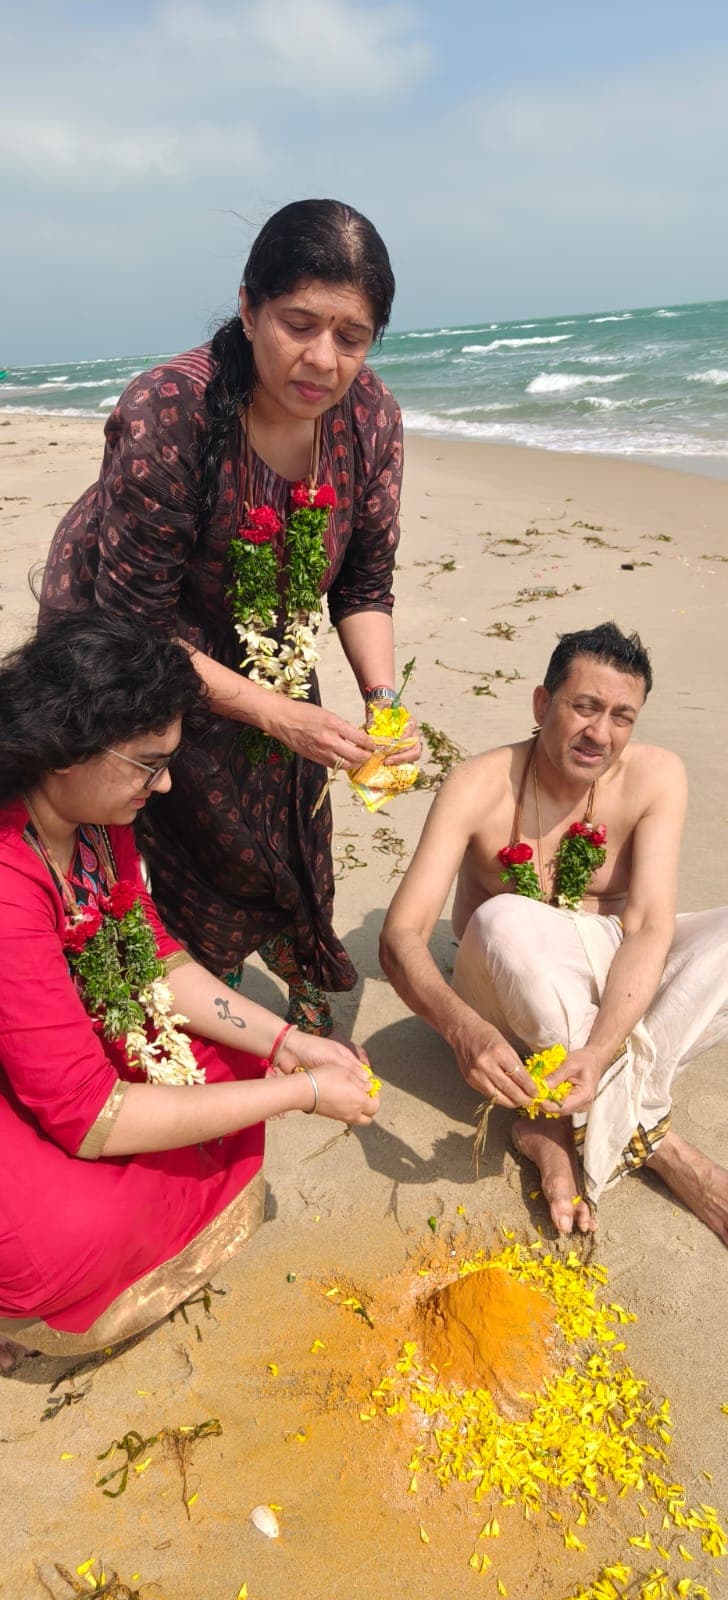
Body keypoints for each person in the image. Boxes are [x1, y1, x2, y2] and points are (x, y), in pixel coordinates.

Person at [40, 198, 420, 1038]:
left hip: (266, 632)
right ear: (248, 308)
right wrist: (275, 712)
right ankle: (196, 993)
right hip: (125, 640)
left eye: (352, 336)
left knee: (293, 801)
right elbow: (135, 628)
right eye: (298, 324)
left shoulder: (371, 421)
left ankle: (297, 969)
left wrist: (383, 701)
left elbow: (364, 584)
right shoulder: (170, 410)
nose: (322, 359)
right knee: (170, 807)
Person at [0, 614, 379, 1369]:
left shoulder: (94, 815)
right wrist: (300, 1093)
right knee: (61, 1239)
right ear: (66, 751)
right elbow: (87, 1117)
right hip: (41, 1077)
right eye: (149, 765)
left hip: (51, 1038)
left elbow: (154, 960)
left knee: (234, 1063)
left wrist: (289, 1043)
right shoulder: (9, 879)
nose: (166, 784)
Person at [380, 622, 728, 1242]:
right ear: (543, 704)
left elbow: (648, 927)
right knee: (505, 919)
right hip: (508, 990)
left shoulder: (656, 776)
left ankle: (551, 1123)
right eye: (585, 707)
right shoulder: (478, 785)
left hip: (619, 976)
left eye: (622, 716)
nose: (601, 733)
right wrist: (463, 1029)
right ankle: (669, 1152)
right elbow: (401, 935)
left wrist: (597, 1050)